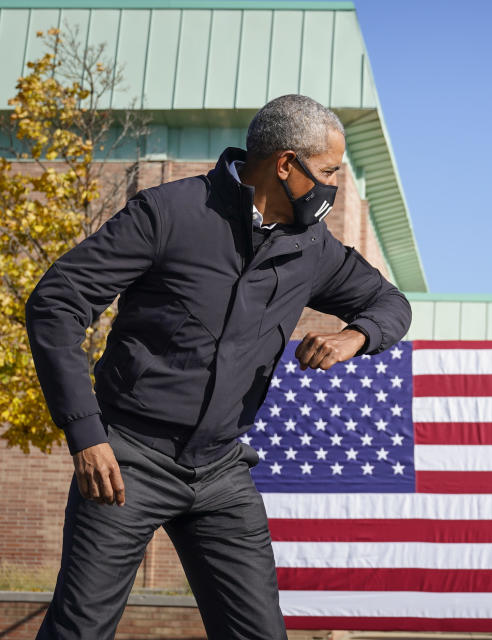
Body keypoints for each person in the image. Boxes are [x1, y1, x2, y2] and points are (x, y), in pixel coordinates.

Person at [26, 94, 411, 638]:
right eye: (326, 172)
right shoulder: (170, 213)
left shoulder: (313, 248)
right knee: (78, 631)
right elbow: (56, 302)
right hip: (126, 458)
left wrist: (355, 337)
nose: (334, 186)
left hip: (221, 471)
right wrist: (85, 433)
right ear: (285, 164)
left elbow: (392, 305)